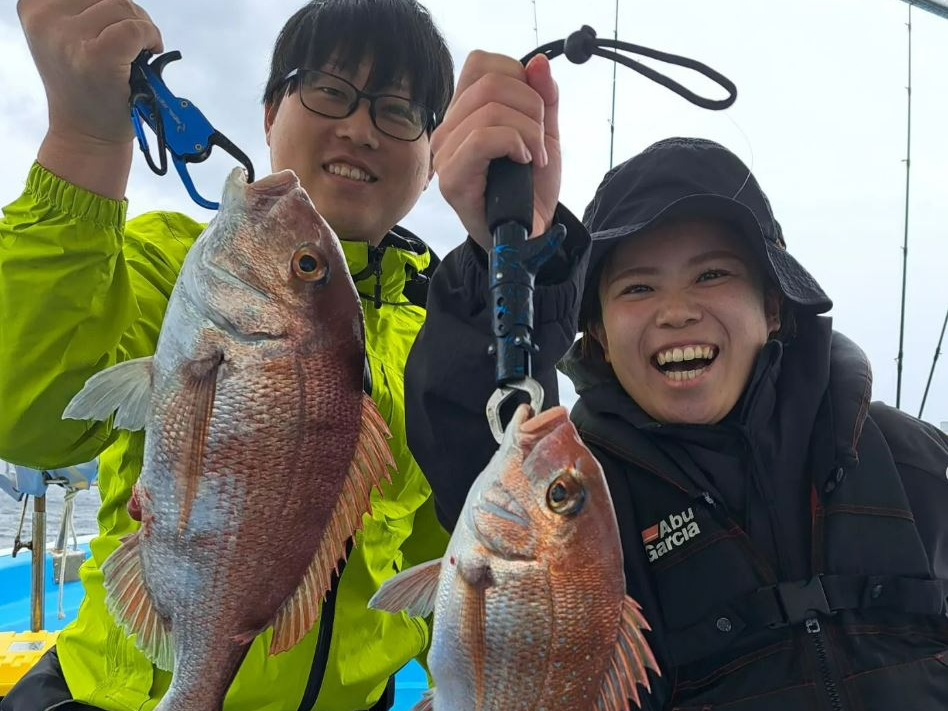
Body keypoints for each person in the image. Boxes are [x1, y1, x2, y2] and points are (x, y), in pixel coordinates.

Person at [0, 1, 461, 709]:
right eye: (331, 92)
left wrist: (461, 686)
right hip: (111, 694)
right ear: (271, 112)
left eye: (398, 111)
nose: (360, 127)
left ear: (431, 161)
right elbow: (27, 416)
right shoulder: (158, 263)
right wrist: (84, 140)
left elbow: (446, 556)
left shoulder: (440, 341)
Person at [405, 134, 948, 709]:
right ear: (600, 337)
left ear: (772, 305)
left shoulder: (913, 460)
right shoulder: (600, 500)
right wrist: (497, 255)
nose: (677, 311)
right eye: (638, 286)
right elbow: (470, 434)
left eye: (712, 275)